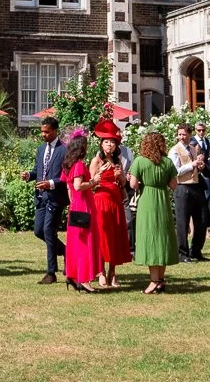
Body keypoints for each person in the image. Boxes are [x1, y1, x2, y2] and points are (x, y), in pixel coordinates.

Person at [129, 132, 179, 294]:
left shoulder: (140, 161)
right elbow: (174, 185)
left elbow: (133, 185)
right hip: (162, 201)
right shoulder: (167, 162)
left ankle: (154, 281)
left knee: (150, 238)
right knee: (162, 238)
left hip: (147, 201)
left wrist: (141, 181)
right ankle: (161, 280)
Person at [23, 117, 68, 285]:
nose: (43, 134)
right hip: (41, 197)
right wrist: (29, 175)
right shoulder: (41, 149)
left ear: (55, 131)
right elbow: (38, 171)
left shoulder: (64, 150)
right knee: (39, 231)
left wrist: (51, 183)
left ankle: (51, 272)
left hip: (55, 198)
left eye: (46, 132)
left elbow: (66, 176)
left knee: (49, 231)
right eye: (42, 131)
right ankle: (66, 251)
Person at [89, 121, 133, 289]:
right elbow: (91, 183)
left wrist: (120, 176)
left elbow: (123, 184)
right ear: (101, 144)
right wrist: (100, 172)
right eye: (107, 142)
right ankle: (100, 271)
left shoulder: (118, 161)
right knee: (102, 236)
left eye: (113, 142)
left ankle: (112, 273)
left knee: (115, 236)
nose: (110, 145)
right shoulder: (96, 160)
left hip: (115, 201)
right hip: (100, 201)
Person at [63, 136, 99, 293]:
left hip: (75, 206)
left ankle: (73, 276)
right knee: (85, 244)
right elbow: (78, 186)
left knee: (75, 243)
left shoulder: (68, 165)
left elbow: (69, 187)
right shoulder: (79, 165)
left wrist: (72, 203)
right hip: (83, 206)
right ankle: (83, 279)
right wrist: (94, 181)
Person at [170, 123, 209, 263]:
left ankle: (196, 251)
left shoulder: (193, 149)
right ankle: (182, 253)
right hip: (182, 187)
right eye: (179, 134)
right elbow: (175, 171)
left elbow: (195, 167)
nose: (181, 137)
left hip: (196, 186)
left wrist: (200, 166)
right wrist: (191, 165)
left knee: (201, 220)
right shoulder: (174, 150)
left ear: (190, 135)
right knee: (182, 221)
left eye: (184, 134)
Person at [192, 119, 210, 231]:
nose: (201, 132)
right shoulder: (192, 141)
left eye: (203, 130)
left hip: (207, 169)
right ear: (195, 130)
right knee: (202, 196)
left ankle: (208, 222)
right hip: (197, 170)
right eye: (199, 130)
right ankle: (198, 225)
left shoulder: (207, 141)